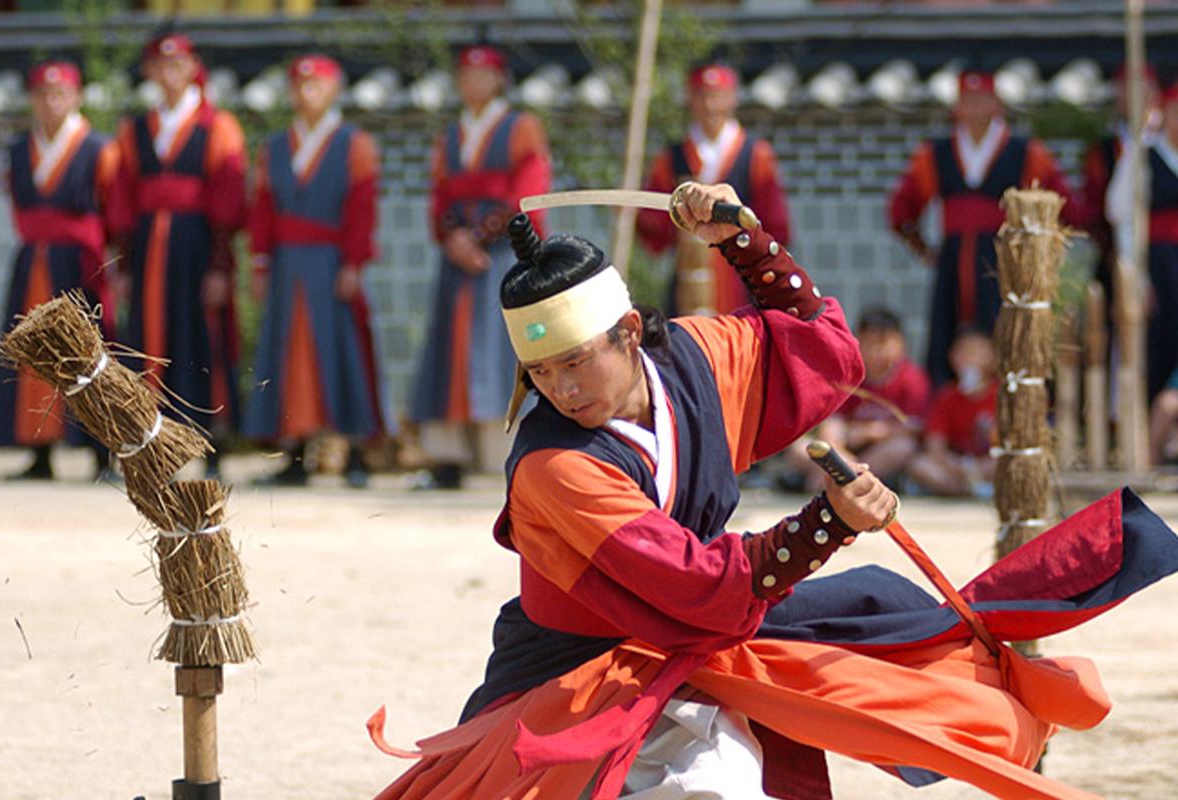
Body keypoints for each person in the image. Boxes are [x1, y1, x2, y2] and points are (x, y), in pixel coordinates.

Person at [368, 184, 1178, 799]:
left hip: (697, 645)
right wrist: (825, 524)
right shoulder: (554, 467)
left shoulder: (694, 355)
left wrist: (745, 242)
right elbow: (692, 582)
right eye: (542, 373)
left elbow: (820, 350)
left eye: (578, 360)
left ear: (628, 331)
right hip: (581, 676)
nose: (564, 388)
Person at [409, 44, 551, 489]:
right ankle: (447, 453)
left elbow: (527, 191)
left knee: (498, 348)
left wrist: (484, 235)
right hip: (459, 259)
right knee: (451, 348)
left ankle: (501, 452)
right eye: (465, 76)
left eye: (482, 75)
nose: (472, 84)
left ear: (499, 80)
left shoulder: (521, 128)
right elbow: (439, 193)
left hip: (503, 255)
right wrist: (452, 236)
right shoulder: (449, 136)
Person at [107, 31, 247, 478]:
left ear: (193, 68)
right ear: (149, 72)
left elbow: (228, 195)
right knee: (146, 341)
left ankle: (211, 445)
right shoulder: (134, 130)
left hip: (196, 246)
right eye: (159, 65)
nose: (168, 74)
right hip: (148, 247)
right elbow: (123, 197)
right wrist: (124, 264)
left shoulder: (217, 126)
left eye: (178, 64)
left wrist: (221, 264)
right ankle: (146, 446)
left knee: (200, 339)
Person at [242, 54, 385, 489]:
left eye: (316, 86)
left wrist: (354, 262)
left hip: (331, 259)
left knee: (343, 350)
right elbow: (263, 209)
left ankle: (357, 453)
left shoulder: (354, 144)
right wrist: (260, 260)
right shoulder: (275, 148)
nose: (307, 94)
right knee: (290, 355)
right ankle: (295, 452)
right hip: (287, 261)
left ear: (334, 91)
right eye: (300, 86)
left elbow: (362, 208)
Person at [888, 69, 1076, 386]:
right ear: (956, 107)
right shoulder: (934, 154)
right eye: (967, 101)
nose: (974, 109)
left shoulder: (1026, 151)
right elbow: (900, 210)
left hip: (1006, 259)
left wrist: (1041, 252)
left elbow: (1063, 204)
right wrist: (924, 250)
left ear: (997, 105)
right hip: (954, 259)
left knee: (1007, 332)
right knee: (949, 333)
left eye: (981, 100)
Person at [0, 61, 119, 481]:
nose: (51, 102)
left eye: (60, 94)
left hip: (79, 262)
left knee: (87, 354)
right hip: (34, 259)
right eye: (43, 95)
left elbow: (112, 210)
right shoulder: (18, 149)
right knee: (33, 353)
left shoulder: (99, 148)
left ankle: (101, 451)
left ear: (76, 98)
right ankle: (39, 448)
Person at [637, 63, 791, 316]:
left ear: (732, 99)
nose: (709, 105)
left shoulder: (756, 155)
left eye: (717, 96)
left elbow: (774, 224)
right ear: (690, 100)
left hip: (740, 274)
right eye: (701, 96)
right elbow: (656, 228)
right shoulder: (671, 157)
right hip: (688, 275)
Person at [783, 306, 930, 491]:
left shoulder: (911, 378)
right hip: (848, 448)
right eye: (869, 343)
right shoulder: (849, 375)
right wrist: (841, 448)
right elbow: (832, 423)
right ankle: (848, 477)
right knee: (799, 449)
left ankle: (842, 479)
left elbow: (914, 427)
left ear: (901, 345)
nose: (877, 351)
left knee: (904, 448)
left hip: (882, 451)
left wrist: (877, 432)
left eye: (883, 342)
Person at [1107, 83, 1178, 402]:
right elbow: (1119, 210)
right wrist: (1136, 274)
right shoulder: (1143, 154)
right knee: (1158, 344)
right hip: (1159, 262)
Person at [1076, 64, 1160, 326]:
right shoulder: (1103, 151)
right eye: (1126, 91)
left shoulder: (1162, 142)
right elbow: (1101, 205)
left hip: (1164, 252)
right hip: (1117, 256)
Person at [906, 326, 997, 497]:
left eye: (975, 352)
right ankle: (971, 490)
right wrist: (957, 466)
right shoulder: (946, 396)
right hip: (954, 466)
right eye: (962, 352)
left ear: (992, 356)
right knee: (919, 465)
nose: (968, 358)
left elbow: (1008, 446)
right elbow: (935, 445)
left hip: (988, 465)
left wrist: (978, 468)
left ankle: (971, 488)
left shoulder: (1002, 395)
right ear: (951, 357)